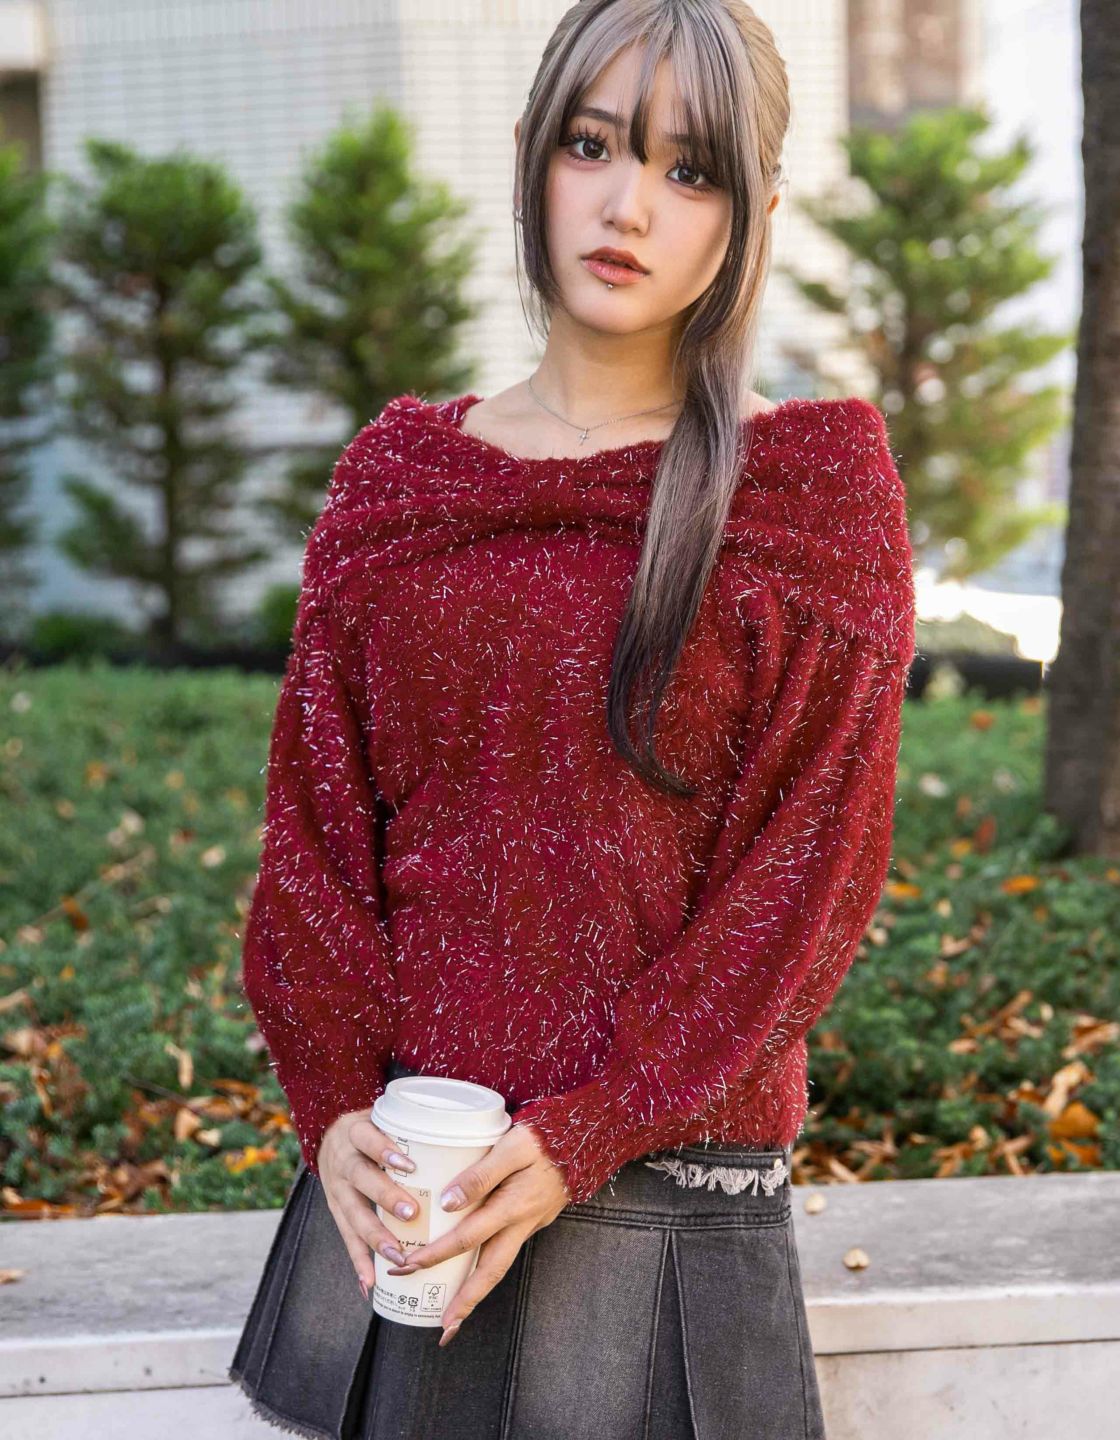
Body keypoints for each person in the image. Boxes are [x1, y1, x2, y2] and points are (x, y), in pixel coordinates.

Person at [228, 2, 916, 1437]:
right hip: (409, 1188)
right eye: (593, 146)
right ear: (534, 155)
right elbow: (314, 831)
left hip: (657, 1199)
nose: (627, 206)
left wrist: (588, 1127)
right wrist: (333, 1104)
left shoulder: (806, 497)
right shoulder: (401, 479)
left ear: (754, 210)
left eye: (689, 169)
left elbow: (808, 884)